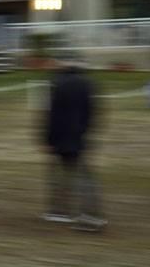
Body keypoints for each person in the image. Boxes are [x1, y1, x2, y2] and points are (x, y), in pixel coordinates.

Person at [42, 53, 105, 231]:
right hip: (80, 136)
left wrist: (48, 139)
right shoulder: (88, 83)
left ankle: (63, 211)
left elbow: (52, 114)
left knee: (61, 177)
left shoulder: (56, 83)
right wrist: (86, 131)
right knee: (82, 176)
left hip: (61, 137)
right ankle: (89, 213)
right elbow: (92, 112)